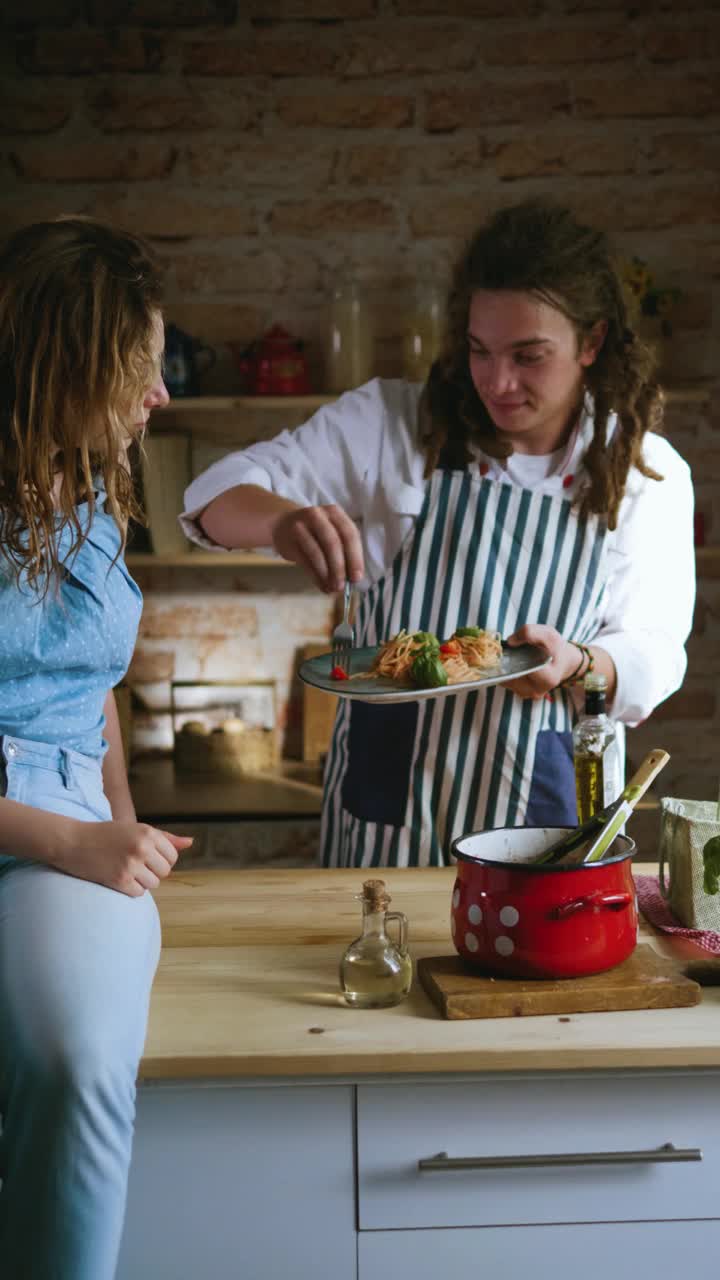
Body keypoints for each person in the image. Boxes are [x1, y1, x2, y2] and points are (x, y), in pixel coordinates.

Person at [181, 200, 695, 868]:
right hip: (390, 789)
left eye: (529, 356)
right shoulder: (392, 423)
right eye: (480, 351)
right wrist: (281, 520)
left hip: (537, 795)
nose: (499, 383)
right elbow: (211, 497)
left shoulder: (643, 472)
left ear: (591, 343)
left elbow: (654, 651)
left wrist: (575, 662)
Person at [0, 217, 192, 1280]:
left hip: (70, 826)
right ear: (58, 369)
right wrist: (71, 843)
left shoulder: (89, 498)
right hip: (42, 830)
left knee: (75, 1058)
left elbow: (93, 693)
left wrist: (111, 823)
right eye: (138, 370)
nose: (159, 395)